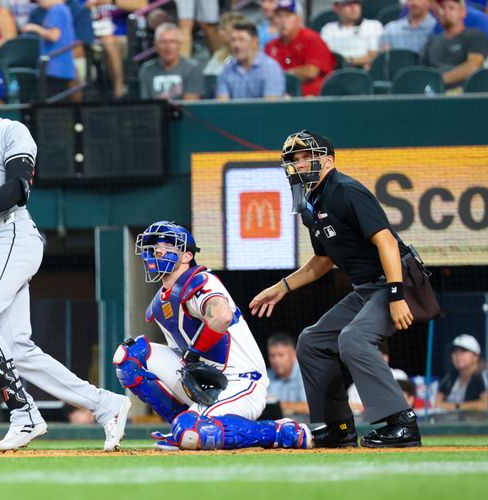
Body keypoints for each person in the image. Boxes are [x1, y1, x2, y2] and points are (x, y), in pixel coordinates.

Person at [0, 59, 131, 451]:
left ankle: (23, 412)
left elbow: (19, 187)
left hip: (12, 233)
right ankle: (107, 404)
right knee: (19, 349)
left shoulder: (9, 131)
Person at [250, 130, 422, 448]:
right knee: (312, 341)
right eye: (294, 159)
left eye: (306, 157)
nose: (299, 164)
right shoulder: (311, 203)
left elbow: (386, 241)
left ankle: (403, 423)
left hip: (398, 281)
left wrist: (397, 294)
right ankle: (339, 427)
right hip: (368, 288)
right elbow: (323, 260)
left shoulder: (346, 190)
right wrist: (283, 287)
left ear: (327, 161)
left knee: (354, 339)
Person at [114, 221, 312, 451]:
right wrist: (189, 360)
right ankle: (183, 426)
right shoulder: (160, 303)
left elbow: (221, 316)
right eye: (153, 246)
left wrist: (193, 354)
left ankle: (281, 432)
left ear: (187, 256)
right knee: (129, 356)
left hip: (242, 381)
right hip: (207, 382)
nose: (157, 251)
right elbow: (179, 356)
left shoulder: (200, 281)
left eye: (167, 246)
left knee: (193, 432)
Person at [265, 0, 335, 96]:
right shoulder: (271, 45)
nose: (283, 21)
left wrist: (280, 75)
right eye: (279, 16)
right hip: (280, 98)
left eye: (288, 16)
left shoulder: (311, 38)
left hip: (312, 99)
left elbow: (311, 72)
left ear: (298, 19)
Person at [422, 0, 487, 90]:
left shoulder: (475, 36)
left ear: (463, 12)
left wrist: (439, 80)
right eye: (443, 8)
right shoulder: (432, 41)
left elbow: (473, 66)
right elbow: (422, 70)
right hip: (433, 93)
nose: (446, 11)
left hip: (464, 93)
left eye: (451, 8)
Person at [216, 21, 285, 100]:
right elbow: (222, 106)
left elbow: (271, 108)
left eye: (241, 39)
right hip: (233, 112)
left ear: (255, 41)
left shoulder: (271, 68)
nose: (236, 45)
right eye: (233, 40)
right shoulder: (227, 69)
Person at [21, 0, 76, 98]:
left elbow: (54, 36)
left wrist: (33, 27)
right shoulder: (62, 9)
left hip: (55, 68)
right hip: (60, 68)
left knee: (52, 107)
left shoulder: (57, 10)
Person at [138, 22, 203, 101]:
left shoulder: (192, 68)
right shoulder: (146, 70)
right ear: (155, 45)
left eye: (172, 42)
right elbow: (145, 105)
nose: (168, 47)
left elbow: (190, 106)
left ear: (179, 44)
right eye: (163, 42)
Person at [320, 0, 383, 68]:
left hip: (363, 73)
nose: (353, 7)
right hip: (335, 73)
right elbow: (324, 57)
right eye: (348, 4)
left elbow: (374, 56)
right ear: (337, 7)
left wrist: (349, 61)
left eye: (356, 3)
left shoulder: (373, 25)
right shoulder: (328, 29)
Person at [436, 334, 488, 411]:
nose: (458, 355)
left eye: (463, 351)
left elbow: (485, 405)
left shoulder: (484, 375)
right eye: (455, 351)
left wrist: (456, 407)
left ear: (475, 356)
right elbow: (436, 404)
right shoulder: (450, 377)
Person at [266, 333, 308, 415]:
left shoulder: (306, 373)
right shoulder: (266, 376)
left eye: (281, 355)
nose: (276, 360)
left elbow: (310, 408)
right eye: (272, 355)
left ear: (294, 355)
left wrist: (277, 406)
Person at [202, 11, 248, 76]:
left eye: (223, 29)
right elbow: (206, 78)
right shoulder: (218, 55)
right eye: (219, 29)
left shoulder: (247, 60)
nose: (219, 32)